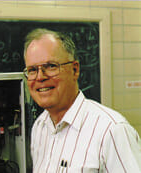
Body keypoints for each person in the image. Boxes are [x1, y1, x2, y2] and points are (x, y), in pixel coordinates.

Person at [23, 28, 141, 173]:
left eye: (51, 66)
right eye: (32, 70)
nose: (40, 77)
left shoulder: (112, 130)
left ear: (75, 70)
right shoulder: (40, 127)